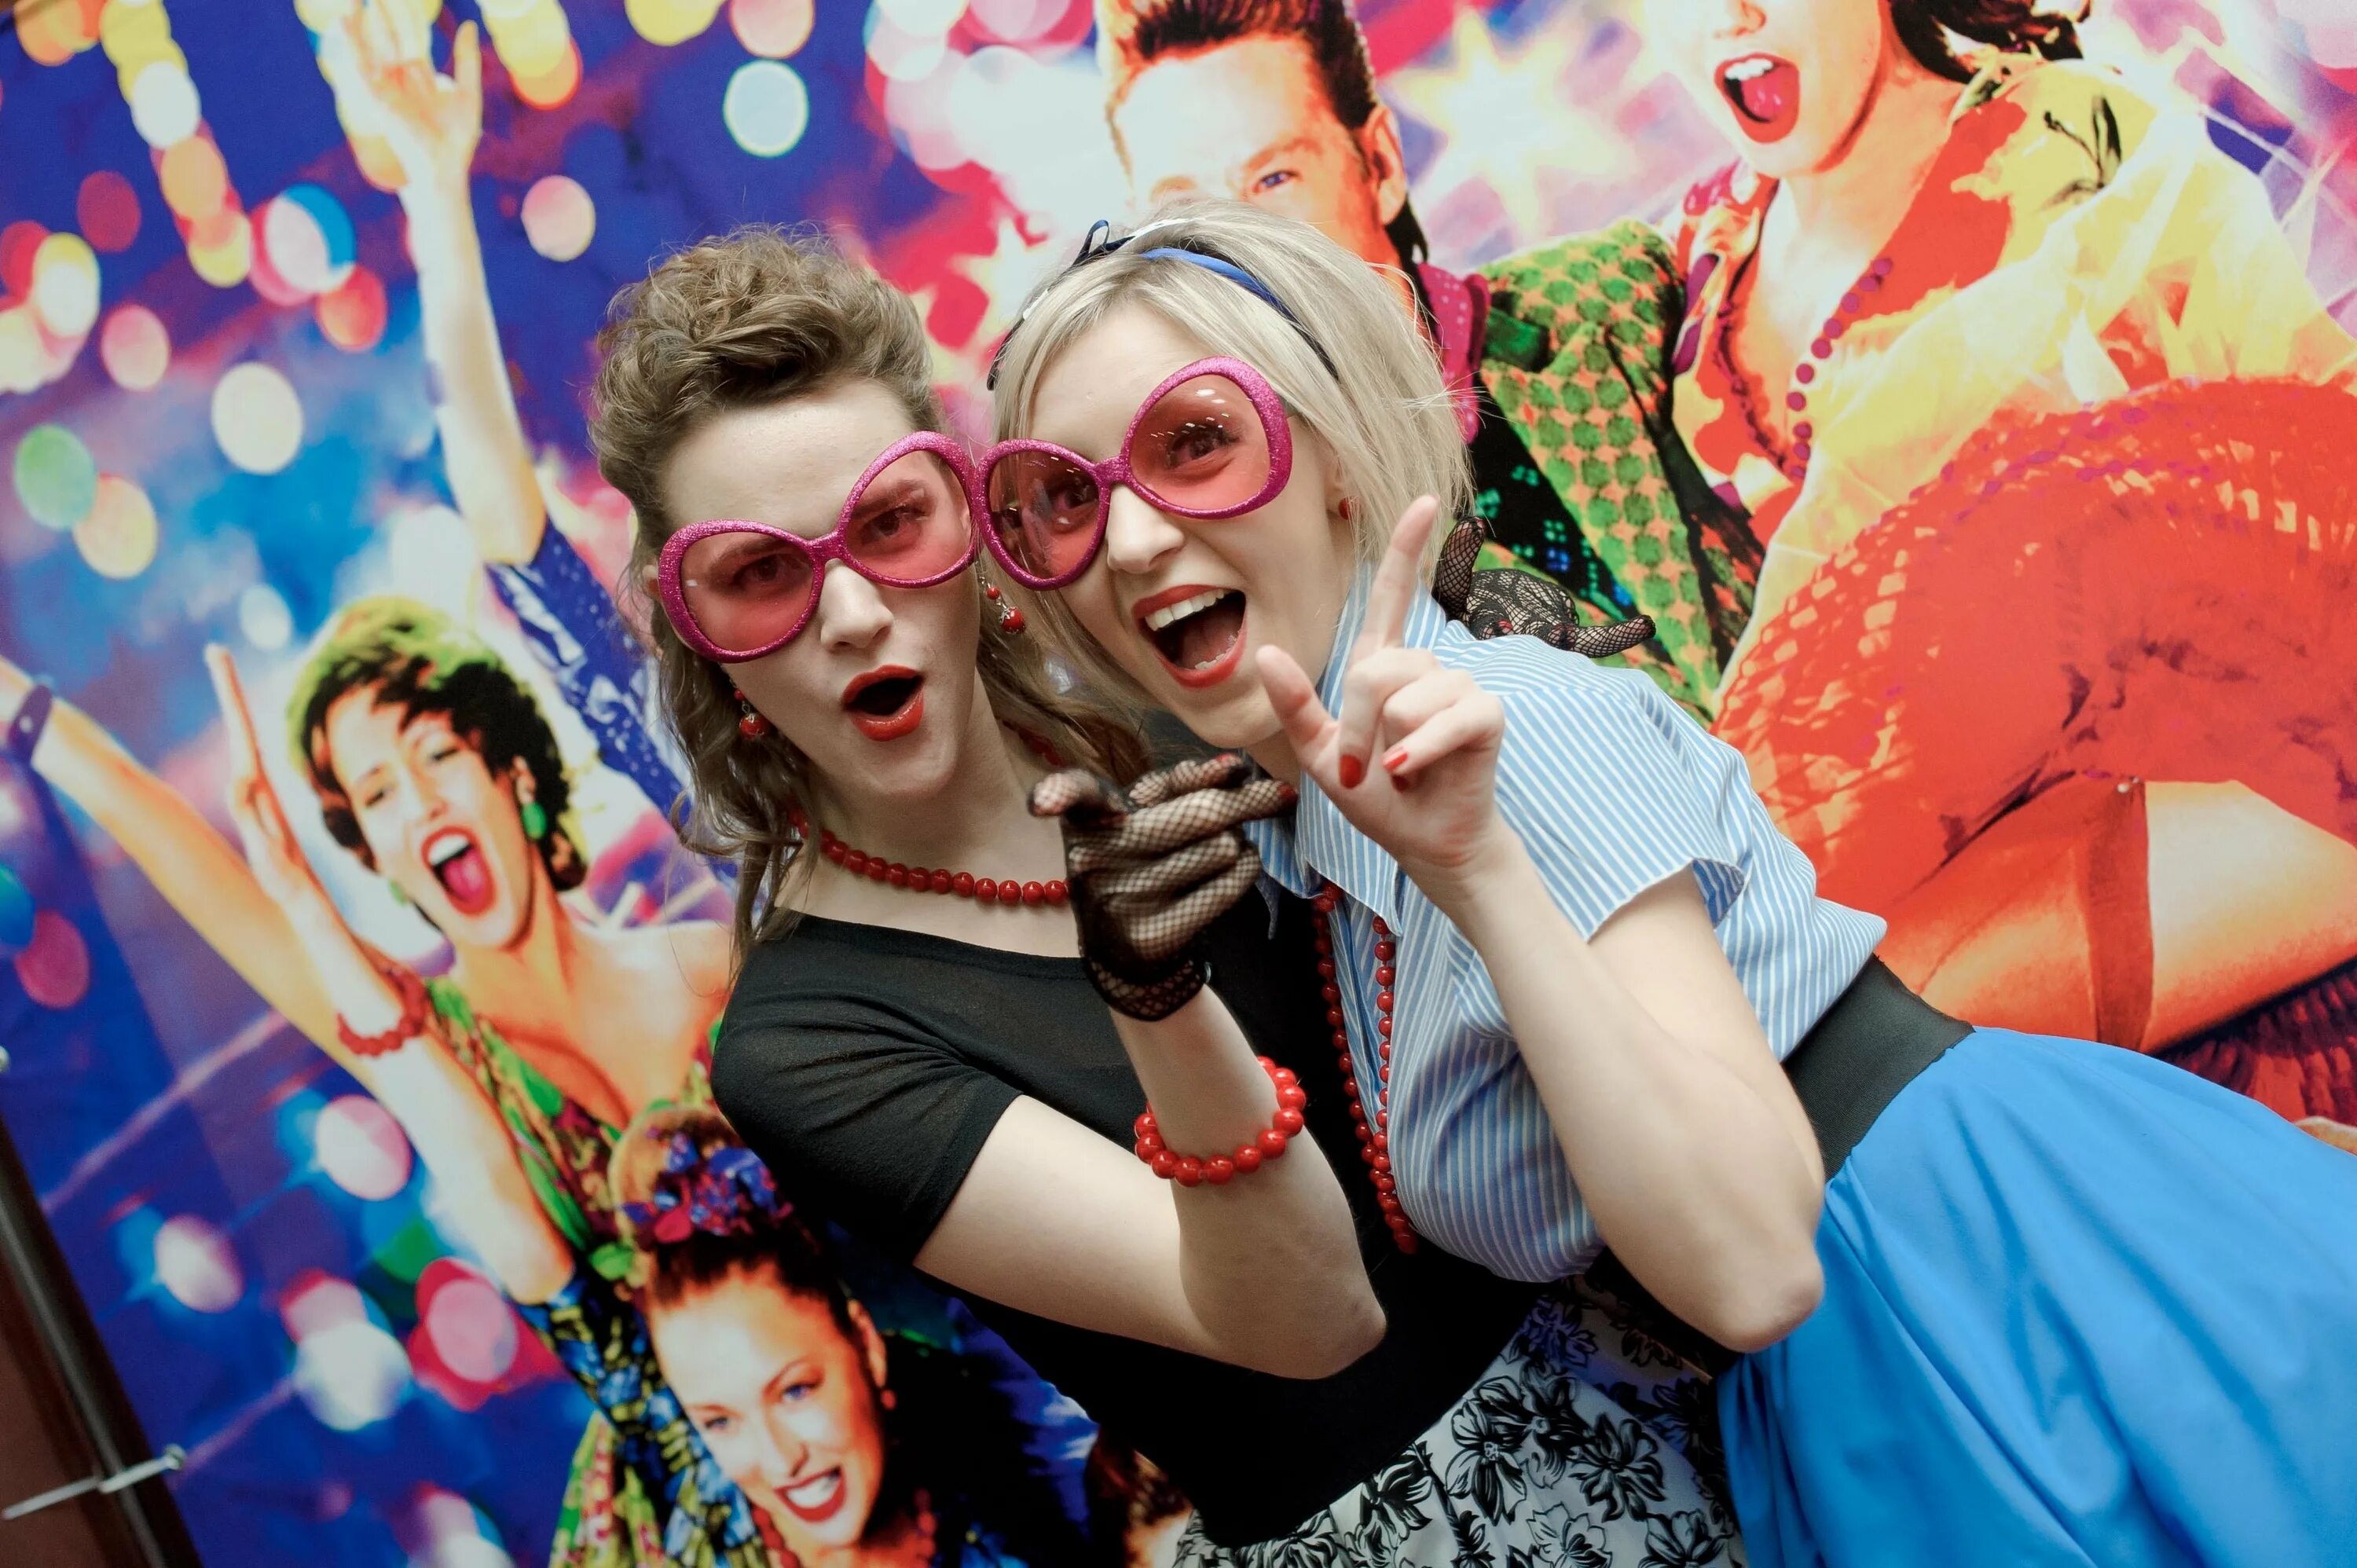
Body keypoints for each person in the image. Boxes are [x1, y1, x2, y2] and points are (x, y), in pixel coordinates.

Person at [983, 196, 2357, 1567]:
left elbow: (1754, 1266)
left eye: (1197, 443)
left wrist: (1480, 869)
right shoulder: (1328, 830)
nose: (1134, 540)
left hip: (1976, 1298)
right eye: (1067, 499)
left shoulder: (1508, 735)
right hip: (1864, 1358)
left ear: (1336, 455)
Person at [598, 225, 1740, 1564]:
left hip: (1676, 1371)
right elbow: (1312, 1315)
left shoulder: (1204, 718)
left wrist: (1481, 663)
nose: (850, 614)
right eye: (761, 574)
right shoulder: (806, 1043)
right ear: (699, 634)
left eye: (890, 523)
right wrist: (1156, 999)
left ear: (971, 526)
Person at [1637, 0, 2357, 1123]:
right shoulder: (1699, 255)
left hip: (2187, 783)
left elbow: (2299, 475)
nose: (1731, 14)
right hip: (1893, 841)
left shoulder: (2072, 137)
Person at [1091, 0, 1710, 700]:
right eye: (1188, 212)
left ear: (1380, 164)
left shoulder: (1622, 291)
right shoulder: (1218, 550)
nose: (1238, 247)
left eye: (1274, 180)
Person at [609, 1105, 1085, 1566]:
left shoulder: (1006, 1465)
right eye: (719, 1422)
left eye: (795, 1391)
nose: (779, 1462)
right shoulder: (700, 1515)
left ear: (866, 1345)